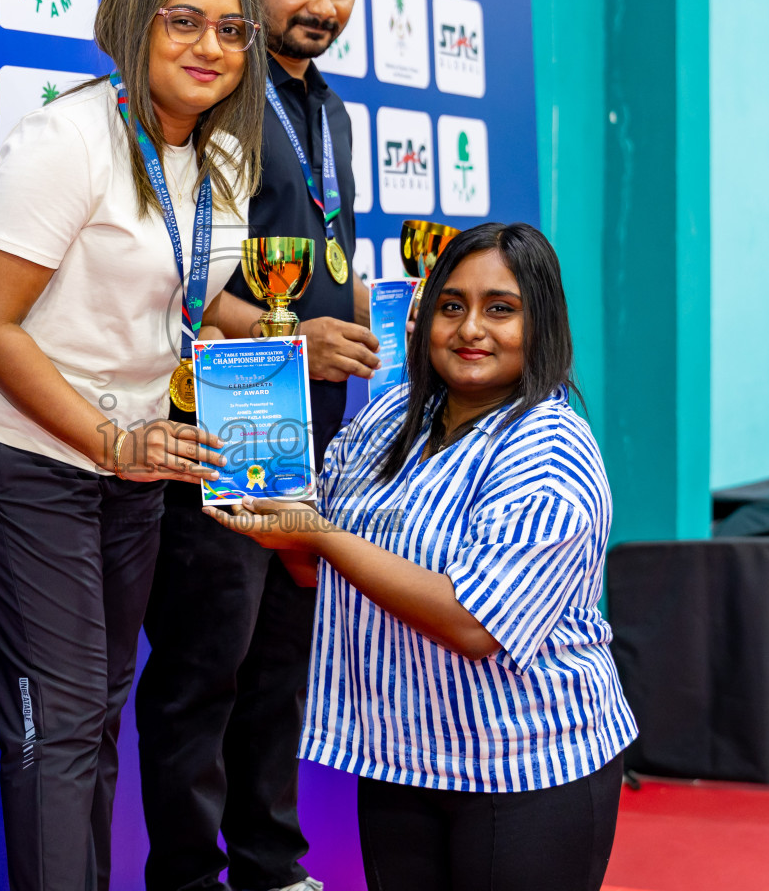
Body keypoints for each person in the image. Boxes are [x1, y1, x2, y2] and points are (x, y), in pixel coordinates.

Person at [0, 0, 264, 891]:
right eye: (184, 21)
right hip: (21, 450)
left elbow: (176, 288)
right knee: (58, 723)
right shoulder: (68, 140)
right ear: (133, 22)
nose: (209, 47)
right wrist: (114, 439)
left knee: (97, 710)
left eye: (232, 30)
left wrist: (277, 331)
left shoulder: (225, 157)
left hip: (134, 459)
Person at [210, 222, 638, 890]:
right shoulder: (387, 419)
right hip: (404, 757)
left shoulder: (552, 451)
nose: (471, 329)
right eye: (450, 306)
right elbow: (318, 575)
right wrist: (267, 503)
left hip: (529, 765)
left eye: (501, 308)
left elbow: (476, 624)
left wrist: (319, 534)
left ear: (542, 323)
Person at [136, 0, 374, 891]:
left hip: (310, 427)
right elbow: (184, 275)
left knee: (282, 659)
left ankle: (271, 865)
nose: (323, 5)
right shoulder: (213, 96)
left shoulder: (331, 110)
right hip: (221, 414)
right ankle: (188, 876)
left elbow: (315, 248)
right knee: (205, 665)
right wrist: (287, 332)